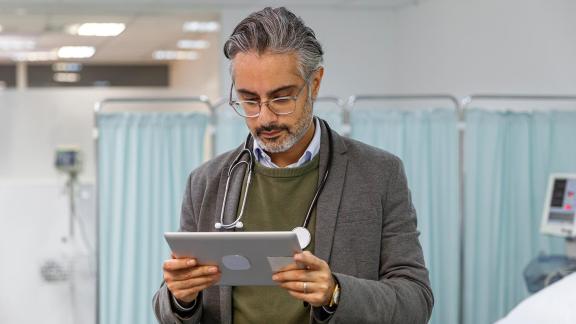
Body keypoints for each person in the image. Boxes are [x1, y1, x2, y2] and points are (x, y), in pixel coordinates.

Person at [153, 7, 433, 324]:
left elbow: (416, 302)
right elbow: (171, 306)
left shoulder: (378, 174)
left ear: (315, 83)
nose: (265, 117)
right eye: (249, 100)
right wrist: (180, 298)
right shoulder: (206, 182)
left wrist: (336, 293)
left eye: (281, 98)